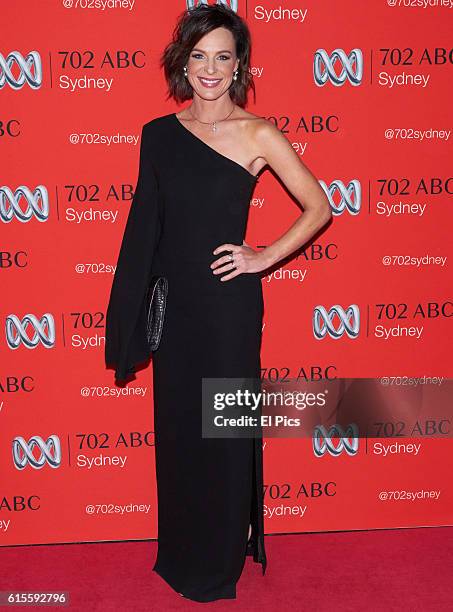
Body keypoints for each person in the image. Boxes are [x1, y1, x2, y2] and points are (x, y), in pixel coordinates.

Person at [104, 3, 332, 603]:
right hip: (176, 308)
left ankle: (220, 558)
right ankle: (180, 551)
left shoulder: (256, 133)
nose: (210, 69)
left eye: (223, 57)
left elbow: (319, 206)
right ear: (184, 62)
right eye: (199, 55)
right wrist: (133, 313)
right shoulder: (158, 135)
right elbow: (144, 230)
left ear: (238, 66)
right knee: (181, 429)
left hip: (228, 309)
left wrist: (263, 255)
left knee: (225, 428)